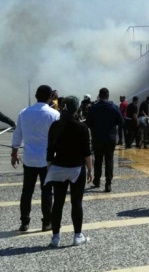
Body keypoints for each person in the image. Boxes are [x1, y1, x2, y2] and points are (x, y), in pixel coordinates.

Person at [11, 84, 60, 232]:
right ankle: (46, 222)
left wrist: (14, 154)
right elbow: (58, 138)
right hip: (47, 159)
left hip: (29, 158)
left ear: (35, 96)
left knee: (27, 191)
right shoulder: (54, 115)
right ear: (50, 97)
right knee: (46, 191)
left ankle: (24, 222)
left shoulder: (24, 112)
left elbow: (17, 135)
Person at [45, 96, 92, 247]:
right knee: (76, 203)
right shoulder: (82, 127)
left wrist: (50, 167)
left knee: (57, 203)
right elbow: (86, 152)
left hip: (58, 167)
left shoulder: (55, 126)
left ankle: (55, 238)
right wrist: (90, 169)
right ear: (77, 108)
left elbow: (50, 151)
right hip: (76, 168)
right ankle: (77, 236)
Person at [85, 87, 123, 192]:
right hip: (110, 138)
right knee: (109, 160)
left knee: (98, 160)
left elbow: (88, 123)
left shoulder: (94, 108)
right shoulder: (114, 107)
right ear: (108, 96)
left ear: (99, 95)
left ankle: (97, 180)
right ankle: (108, 183)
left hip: (97, 138)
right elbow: (121, 122)